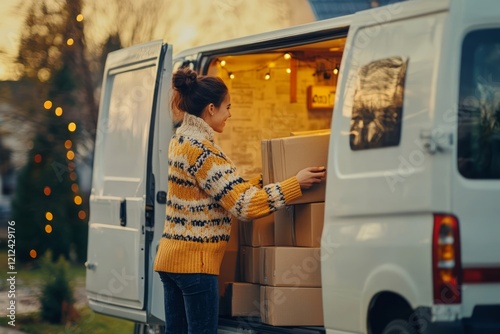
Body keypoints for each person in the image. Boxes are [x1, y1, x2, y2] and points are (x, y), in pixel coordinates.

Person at [153, 67, 326, 334]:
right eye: (227, 107)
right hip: (195, 266)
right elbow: (244, 205)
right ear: (211, 109)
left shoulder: (181, 140)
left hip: (171, 260)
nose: (230, 114)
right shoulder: (203, 151)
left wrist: (263, 180)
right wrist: (296, 185)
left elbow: (221, 188)